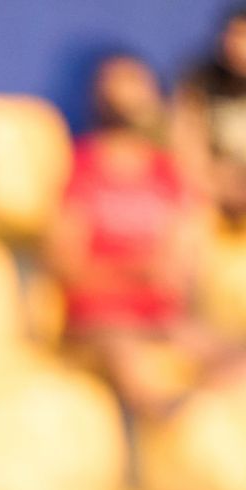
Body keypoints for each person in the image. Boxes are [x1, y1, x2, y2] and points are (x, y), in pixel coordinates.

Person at [54, 52, 245, 419]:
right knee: (126, 354)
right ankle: (162, 413)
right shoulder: (81, 168)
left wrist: (174, 272)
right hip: (101, 317)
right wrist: (135, 272)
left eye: (135, 86)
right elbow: (65, 262)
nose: (126, 98)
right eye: (115, 86)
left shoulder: (168, 174)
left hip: (160, 317)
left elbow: (182, 261)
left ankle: (196, 412)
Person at [175, 3, 246, 222]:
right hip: (210, 199)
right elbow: (186, 153)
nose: (239, 46)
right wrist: (217, 183)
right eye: (235, 36)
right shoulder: (199, 83)